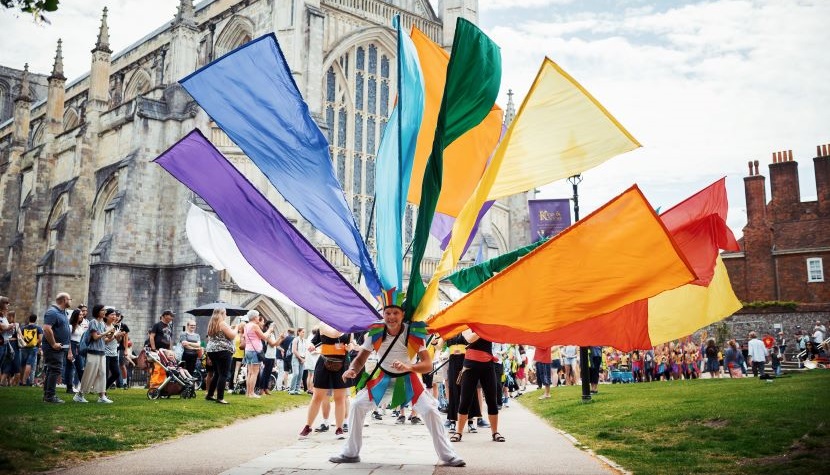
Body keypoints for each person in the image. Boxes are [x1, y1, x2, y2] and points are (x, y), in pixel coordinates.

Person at [329, 297, 465, 467]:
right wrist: (352, 370)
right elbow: (360, 359)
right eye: (387, 313)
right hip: (383, 379)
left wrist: (409, 367)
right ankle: (350, 453)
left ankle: (448, 455)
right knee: (357, 405)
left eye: (395, 313)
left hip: (408, 380)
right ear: (383, 314)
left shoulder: (413, 333)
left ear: (403, 315)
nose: (391, 317)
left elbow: (427, 364)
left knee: (430, 410)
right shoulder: (376, 332)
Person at [299, 322, 352, 439]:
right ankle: (308, 426)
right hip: (324, 363)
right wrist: (349, 326)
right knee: (317, 397)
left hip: (342, 364)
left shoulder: (348, 327)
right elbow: (333, 334)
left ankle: (339, 428)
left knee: (340, 399)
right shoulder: (323, 324)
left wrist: (350, 346)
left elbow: (350, 343)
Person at [451, 330, 504, 444]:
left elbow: (498, 336)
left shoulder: (488, 325)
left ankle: (495, 432)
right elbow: (469, 339)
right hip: (470, 365)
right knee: (465, 400)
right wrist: (482, 329)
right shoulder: (467, 325)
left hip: (488, 365)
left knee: (491, 400)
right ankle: (458, 432)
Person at [75, 305, 114, 403]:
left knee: (102, 374)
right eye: (103, 310)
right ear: (98, 311)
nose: (105, 312)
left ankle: (102, 396)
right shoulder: (93, 322)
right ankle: (79, 395)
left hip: (101, 352)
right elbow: (95, 337)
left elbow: (103, 340)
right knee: (89, 374)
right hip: (93, 352)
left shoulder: (101, 323)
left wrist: (112, 334)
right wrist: (107, 332)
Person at [42, 292, 74, 403]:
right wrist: (53, 344)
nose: (71, 301)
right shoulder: (53, 312)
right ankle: (50, 396)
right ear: (65, 300)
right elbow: (46, 329)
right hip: (53, 348)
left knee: (52, 369)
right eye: (70, 299)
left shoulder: (63, 313)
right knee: (55, 369)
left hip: (60, 347)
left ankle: (47, 395)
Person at [205, 307, 236, 404]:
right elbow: (232, 336)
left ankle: (210, 395)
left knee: (217, 373)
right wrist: (237, 328)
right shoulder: (222, 323)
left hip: (212, 351)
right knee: (223, 374)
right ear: (222, 314)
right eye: (225, 313)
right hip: (223, 351)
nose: (226, 315)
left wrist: (230, 328)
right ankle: (220, 398)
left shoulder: (212, 324)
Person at [243, 310, 268, 398]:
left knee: (250, 372)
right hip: (255, 351)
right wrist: (270, 330)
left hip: (248, 350)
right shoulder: (254, 326)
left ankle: (248, 393)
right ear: (254, 317)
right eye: (258, 316)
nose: (258, 318)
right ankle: (251, 393)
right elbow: (264, 337)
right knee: (254, 373)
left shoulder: (246, 326)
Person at [67, 305, 88, 392]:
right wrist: (70, 351)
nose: (82, 316)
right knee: (71, 367)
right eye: (80, 315)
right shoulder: (71, 326)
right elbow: (68, 339)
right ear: (75, 316)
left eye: (82, 315)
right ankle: (69, 387)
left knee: (80, 367)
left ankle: (84, 387)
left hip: (79, 347)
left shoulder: (80, 327)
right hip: (72, 346)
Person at [103, 309, 124, 390]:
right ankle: (102, 393)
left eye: (115, 315)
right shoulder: (104, 326)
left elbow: (118, 340)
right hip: (105, 353)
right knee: (105, 373)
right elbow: (105, 340)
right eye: (112, 315)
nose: (114, 316)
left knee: (116, 373)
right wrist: (115, 336)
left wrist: (119, 336)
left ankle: (104, 389)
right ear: (106, 316)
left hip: (114, 353)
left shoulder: (115, 327)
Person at [20, 314, 42, 386]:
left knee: (23, 364)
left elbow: (20, 338)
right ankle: (24, 381)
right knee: (29, 364)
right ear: (35, 320)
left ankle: (20, 381)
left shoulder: (23, 328)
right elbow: (40, 339)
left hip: (24, 347)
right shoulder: (38, 328)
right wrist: (36, 344)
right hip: (33, 348)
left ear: (29, 319)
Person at [1, 311, 22, 387]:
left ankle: (3, 382)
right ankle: (14, 384)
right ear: (14, 317)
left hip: (6, 344)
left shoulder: (5, 324)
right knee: (16, 366)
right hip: (14, 346)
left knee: (7, 364)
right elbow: (20, 336)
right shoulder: (16, 325)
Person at [289, 327, 307, 394]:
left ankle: (297, 389)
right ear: (298, 332)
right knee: (296, 373)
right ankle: (291, 390)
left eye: (304, 332)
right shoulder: (296, 340)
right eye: (302, 332)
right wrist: (300, 358)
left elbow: (305, 350)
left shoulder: (304, 340)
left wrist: (304, 359)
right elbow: (294, 350)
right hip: (296, 358)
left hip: (302, 358)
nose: (303, 333)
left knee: (300, 374)